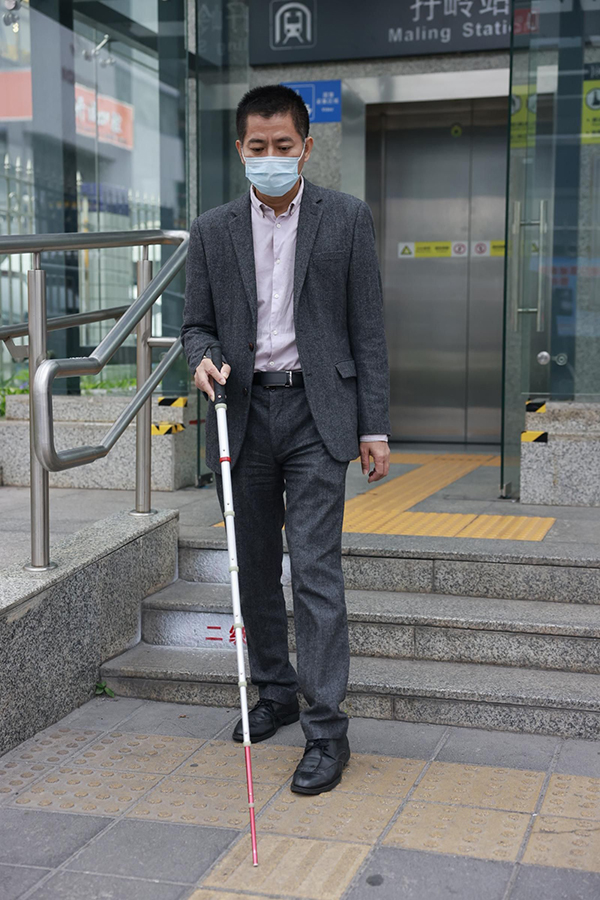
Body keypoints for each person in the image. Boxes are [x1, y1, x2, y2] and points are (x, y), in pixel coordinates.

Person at [180, 84, 390, 795]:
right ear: (240, 149)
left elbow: (368, 329)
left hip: (317, 413)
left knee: (316, 570)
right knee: (254, 566)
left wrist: (374, 426)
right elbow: (196, 325)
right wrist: (202, 357)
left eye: (283, 145)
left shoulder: (346, 218)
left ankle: (327, 730)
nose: (270, 157)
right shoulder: (212, 229)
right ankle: (273, 691)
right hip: (242, 412)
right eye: (257, 146)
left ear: (306, 147)